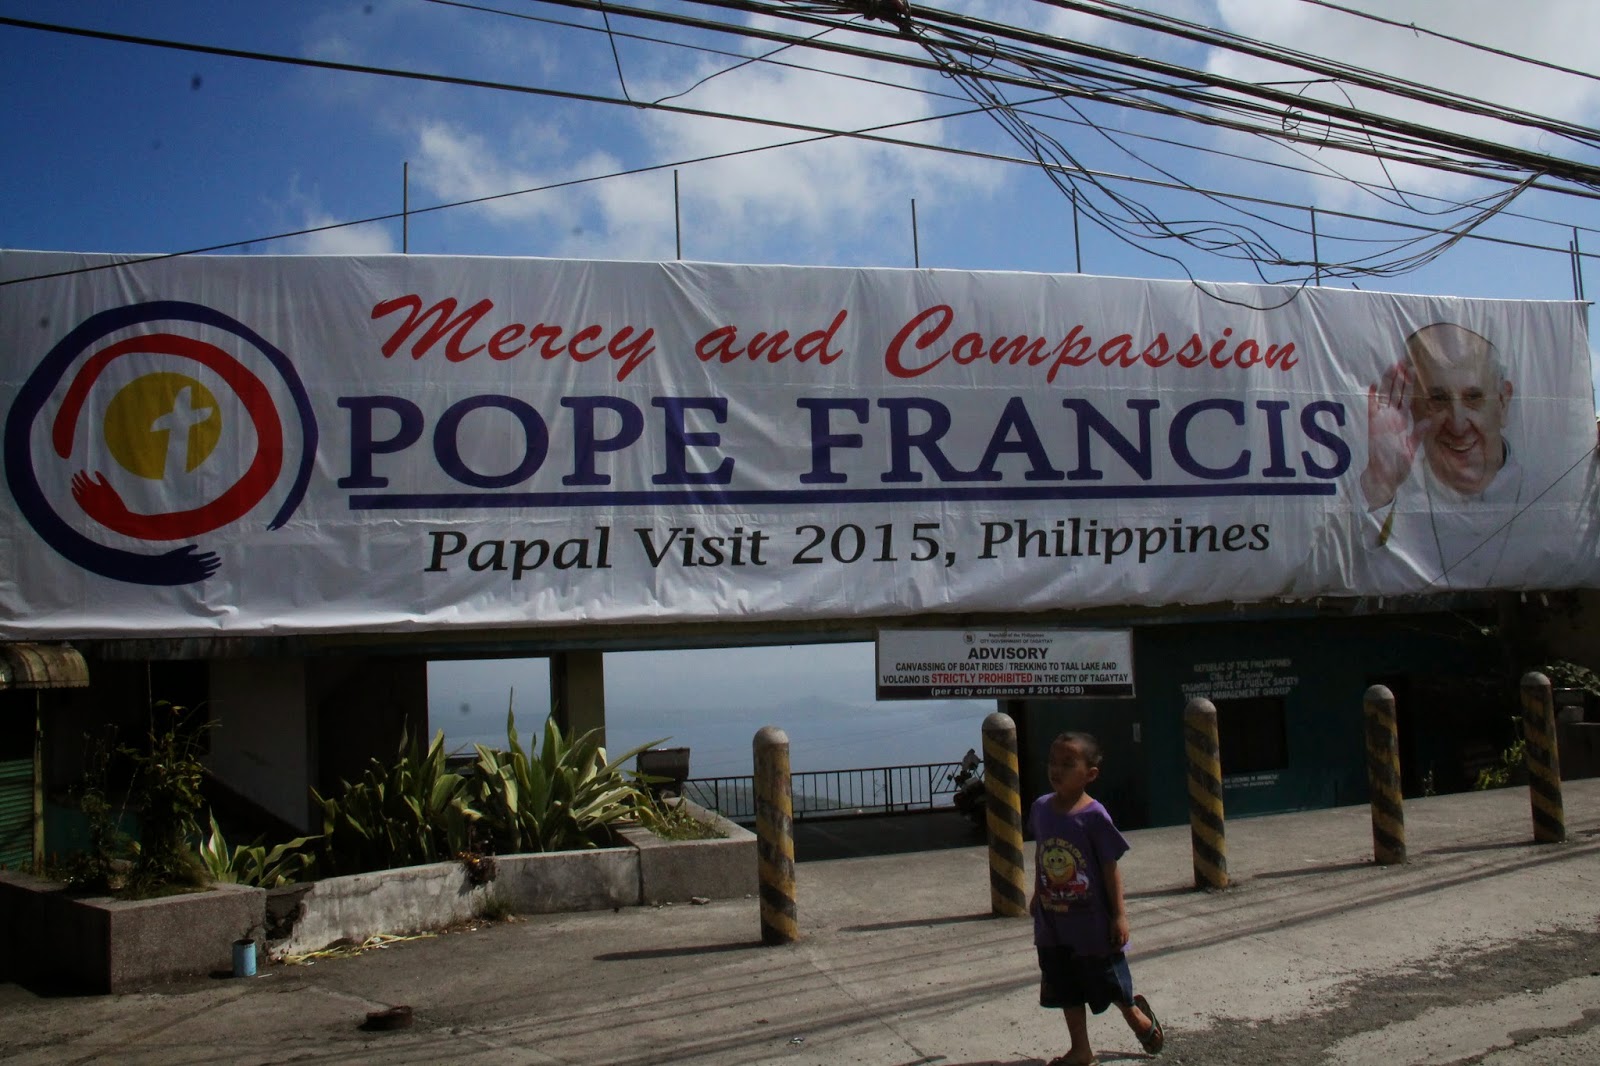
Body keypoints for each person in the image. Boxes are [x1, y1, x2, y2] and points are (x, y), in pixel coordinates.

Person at [1029, 732, 1163, 1065]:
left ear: (1090, 774)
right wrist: (1037, 893)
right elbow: (1042, 855)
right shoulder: (1041, 808)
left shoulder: (1094, 815)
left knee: (1108, 980)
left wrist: (1119, 915)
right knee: (1065, 986)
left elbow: (1109, 867)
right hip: (1053, 923)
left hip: (1091, 924)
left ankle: (1135, 1015)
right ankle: (1081, 1050)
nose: (1056, 769)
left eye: (1067, 763)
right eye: (1052, 762)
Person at [1359, 322, 1522, 589]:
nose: (1457, 425)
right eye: (1438, 400)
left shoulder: (1554, 490)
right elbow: (1329, 570)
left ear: (1503, 403)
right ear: (1412, 406)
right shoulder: (1387, 497)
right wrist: (1378, 488)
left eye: (1473, 397)